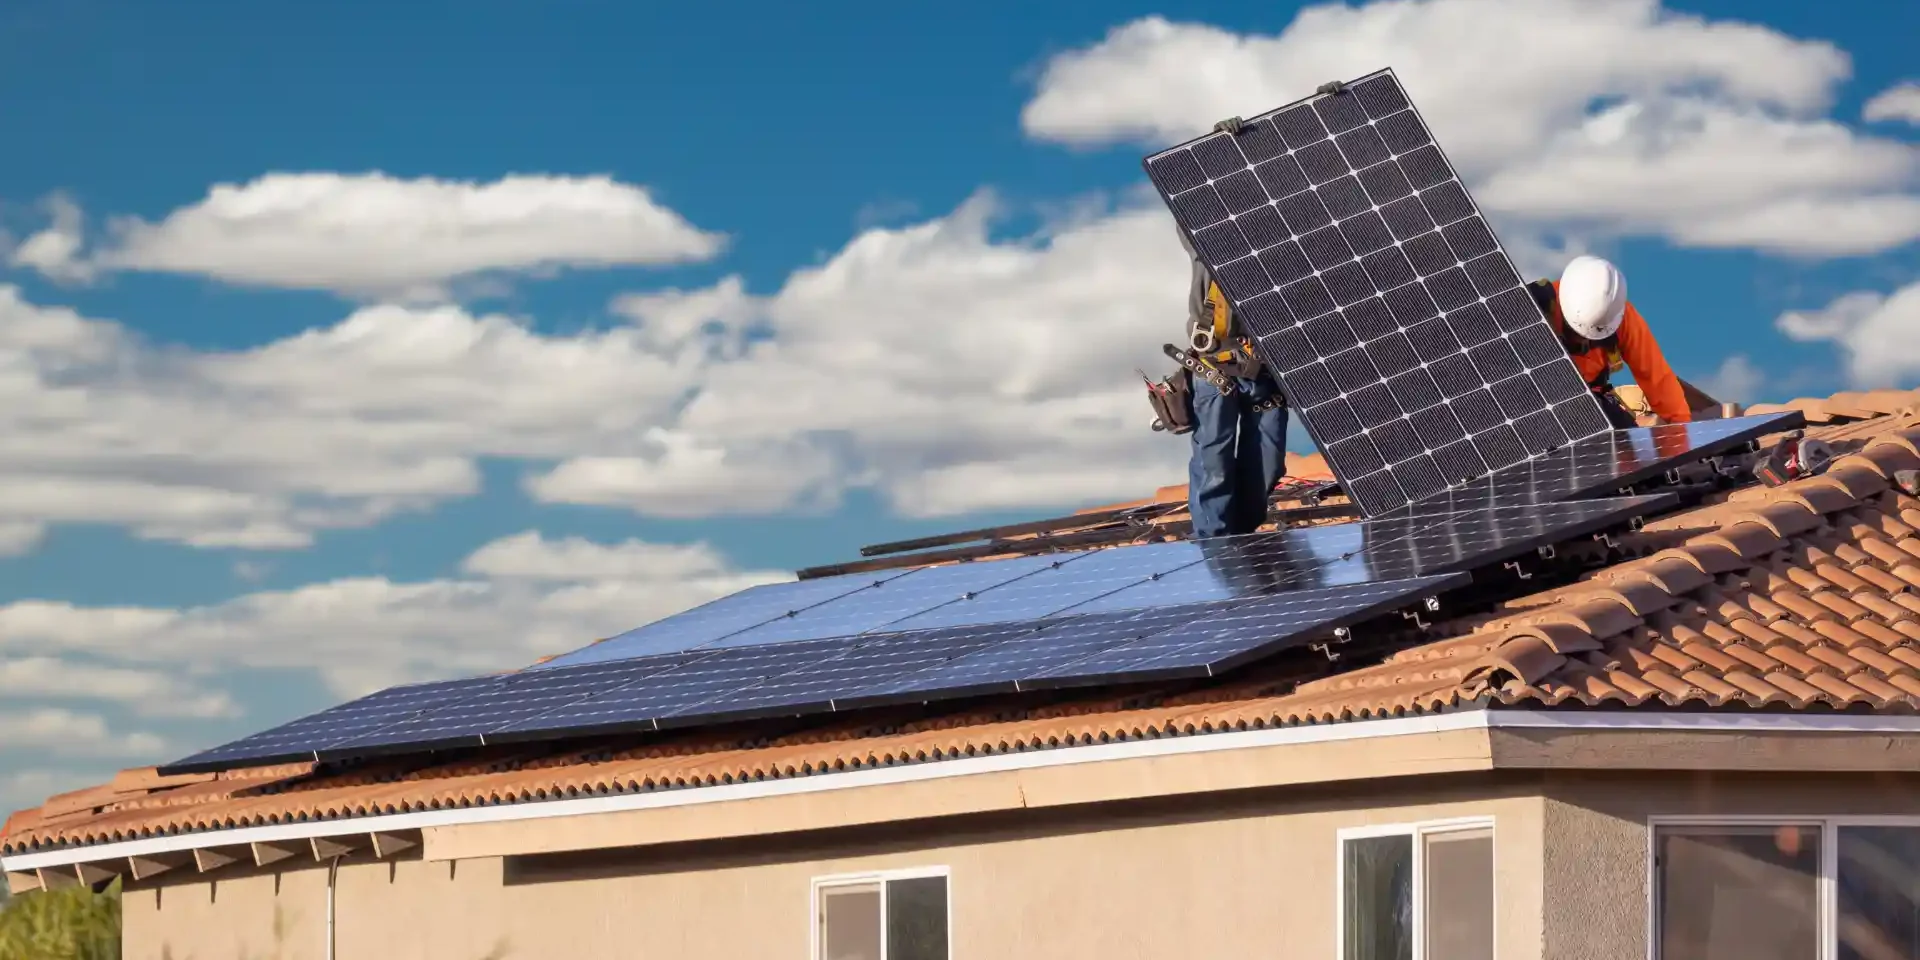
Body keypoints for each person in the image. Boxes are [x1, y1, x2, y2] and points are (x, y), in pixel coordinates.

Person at [1179, 227, 1290, 539]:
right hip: (1216, 368)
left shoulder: (1282, 245)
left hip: (1265, 373)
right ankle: (1216, 544)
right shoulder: (1207, 238)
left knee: (1268, 465)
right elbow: (1190, 215)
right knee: (1214, 465)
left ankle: (1242, 539)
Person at [1526, 255, 1690, 429]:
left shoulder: (1621, 318)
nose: (1583, 340)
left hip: (1590, 404)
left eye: (1593, 335)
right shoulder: (1529, 308)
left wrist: (1685, 431)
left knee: (1626, 443)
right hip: (1529, 398)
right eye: (1576, 332)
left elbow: (1656, 377)